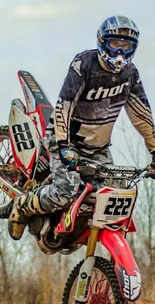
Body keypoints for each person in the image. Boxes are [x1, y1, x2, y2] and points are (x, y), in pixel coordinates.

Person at [8, 15, 155, 240]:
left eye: (126, 47)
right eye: (115, 44)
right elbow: (64, 105)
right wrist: (64, 145)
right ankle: (23, 206)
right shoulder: (85, 64)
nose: (119, 53)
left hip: (98, 149)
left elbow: (142, 116)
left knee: (114, 198)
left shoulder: (130, 74)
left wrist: (154, 150)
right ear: (103, 41)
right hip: (66, 140)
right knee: (65, 192)